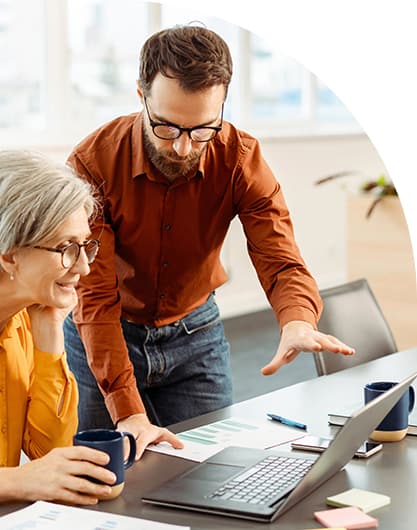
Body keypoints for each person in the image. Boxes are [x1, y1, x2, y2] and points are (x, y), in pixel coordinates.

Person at [64, 25, 355, 460]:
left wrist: (297, 320)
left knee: (213, 474)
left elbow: (279, 257)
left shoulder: (240, 157)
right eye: (166, 128)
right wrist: (127, 411)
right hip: (105, 335)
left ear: (222, 105)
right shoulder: (93, 163)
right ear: (140, 96)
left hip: (195, 336)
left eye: (202, 130)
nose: (183, 148)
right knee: (105, 481)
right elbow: (95, 295)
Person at [0, 149, 122, 505]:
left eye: (86, 246)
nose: (84, 267)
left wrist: (50, 326)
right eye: (67, 248)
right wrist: (14, 481)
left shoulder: (24, 316)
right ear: (9, 255)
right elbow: (32, 474)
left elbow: (49, 452)